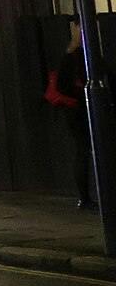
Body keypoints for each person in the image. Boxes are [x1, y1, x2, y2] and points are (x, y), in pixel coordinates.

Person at [50, 17, 96, 210]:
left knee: (83, 151)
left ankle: (86, 197)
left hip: (76, 110)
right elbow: (64, 85)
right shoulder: (73, 55)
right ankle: (85, 198)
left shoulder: (73, 54)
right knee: (83, 150)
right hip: (78, 111)